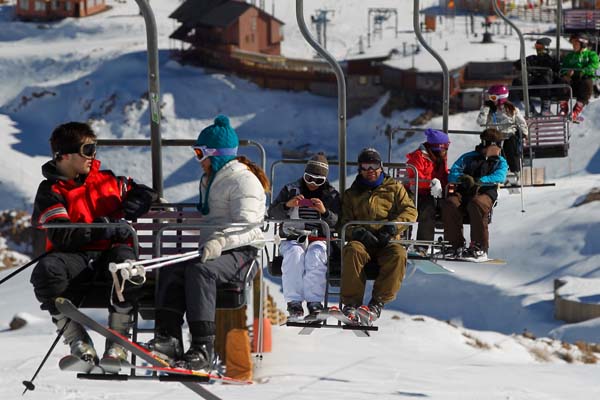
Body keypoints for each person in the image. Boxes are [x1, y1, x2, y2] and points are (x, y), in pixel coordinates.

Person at [30, 122, 157, 368]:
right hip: (76, 258)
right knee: (46, 272)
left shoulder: (107, 181)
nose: (93, 156)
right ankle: (77, 339)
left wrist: (139, 199)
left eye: (94, 149)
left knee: (125, 269)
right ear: (64, 155)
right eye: (87, 150)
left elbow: (144, 191)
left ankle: (117, 343)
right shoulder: (50, 191)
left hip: (113, 252)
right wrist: (104, 226)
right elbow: (62, 236)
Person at [147, 115, 269, 371]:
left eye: (200, 152)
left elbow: (247, 226)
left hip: (241, 254)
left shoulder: (243, 180)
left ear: (215, 154)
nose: (198, 159)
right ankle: (168, 338)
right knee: (171, 269)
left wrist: (220, 241)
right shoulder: (213, 178)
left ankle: (203, 346)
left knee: (201, 271)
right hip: (216, 250)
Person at [339, 148, 417, 322]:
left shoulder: (394, 188)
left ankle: (377, 303)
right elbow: (344, 222)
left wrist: (391, 228)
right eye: (365, 166)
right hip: (362, 242)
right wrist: (358, 231)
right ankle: (351, 303)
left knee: (398, 254)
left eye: (374, 165)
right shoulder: (352, 194)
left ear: (381, 167)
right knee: (352, 250)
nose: (370, 170)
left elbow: (410, 211)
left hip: (387, 240)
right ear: (360, 169)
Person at [268, 153, 341, 319]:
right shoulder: (290, 190)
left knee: (315, 256)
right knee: (295, 255)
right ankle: (294, 302)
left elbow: (337, 221)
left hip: (319, 239)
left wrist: (324, 211)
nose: (313, 184)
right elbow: (272, 213)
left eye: (318, 180)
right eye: (309, 178)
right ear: (304, 174)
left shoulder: (331, 195)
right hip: (293, 238)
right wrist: (287, 205)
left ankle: (314, 302)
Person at [441, 128, 508, 262]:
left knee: (476, 204)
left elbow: (500, 176)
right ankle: (454, 244)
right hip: (464, 191)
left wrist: (480, 181)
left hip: (485, 192)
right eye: (494, 145)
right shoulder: (468, 157)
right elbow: (454, 172)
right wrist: (462, 178)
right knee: (450, 203)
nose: (497, 148)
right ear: (486, 144)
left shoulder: (500, 161)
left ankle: (479, 246)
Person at [406, 129, 450, 255]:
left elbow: (443, 176)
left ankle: (451, 243)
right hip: (416, 193)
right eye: (445, 147)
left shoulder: (440, 159)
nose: (446, 150)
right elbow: (414, 178)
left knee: (451, 205)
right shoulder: (418, 157)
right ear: (437, 147)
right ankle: (422, 245)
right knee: (428, 208)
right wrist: (431, 183)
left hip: (432, 193)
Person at [477, 85, 528, 178]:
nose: (491, 100)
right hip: (494, 135)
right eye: (490, 97)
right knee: (492, 147)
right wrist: (485, 109)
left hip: (509, 135)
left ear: (501, 98)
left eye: (493, 97)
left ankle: (514, 171)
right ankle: (493, 169)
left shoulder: (512, 110)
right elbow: (481, 122)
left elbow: (521, 122)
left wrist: (523, 133)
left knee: (510, 146)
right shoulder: (489, 110)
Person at [511, 37, 560, 115]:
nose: (538, 49)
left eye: (540, 47)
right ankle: (529, 107)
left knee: (545, 77)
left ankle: (545, 107)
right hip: (534, 85)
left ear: (546, 47)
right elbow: (518, 63)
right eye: (536, 46)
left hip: (548, 87)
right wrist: (523, 64)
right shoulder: (533, 58)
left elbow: (557, 70)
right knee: (517, 81)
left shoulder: (551, 60)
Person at [559, 32, 600, 121]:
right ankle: (563, 108)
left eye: (575, 43)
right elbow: (564, 67)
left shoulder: (591, 55)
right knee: (563, 81)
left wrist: (584, 70)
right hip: (572, 82)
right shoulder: (570, 56)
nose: (573, 45)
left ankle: (576, 111)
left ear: (583, 44)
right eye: (572, 43)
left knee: (587, 82)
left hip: (584, 82)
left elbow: (595, 64)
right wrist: (567, 73)